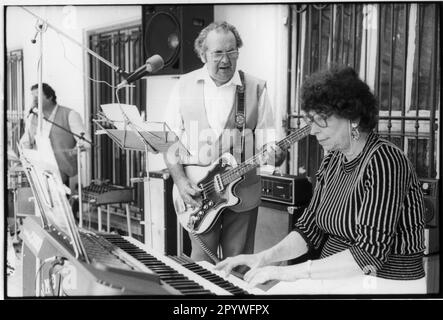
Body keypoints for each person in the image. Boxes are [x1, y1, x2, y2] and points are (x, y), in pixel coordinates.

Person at [215, 66, 426, 293]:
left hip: (384, 283)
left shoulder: (385, 161)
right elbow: (310, 228)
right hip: (336, 278)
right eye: (310, 121)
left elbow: (368, 256)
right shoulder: (333, 158)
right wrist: (263, 258)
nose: (313, 130)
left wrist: (286, 273)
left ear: (352, 117)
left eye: (321, 120)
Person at [164, 21, 285, 265]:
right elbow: (170, 140)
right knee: (201, 264)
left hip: (244, 191)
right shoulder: (183, 86)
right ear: (203, 54)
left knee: (238, 264)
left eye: (232, 52)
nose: (226, 60)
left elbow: (271, 144)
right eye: (218, 53)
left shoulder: (256, 87)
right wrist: (180, 180)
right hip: (199, 192)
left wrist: (275, 154)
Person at [20, 83, 88, 186]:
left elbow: (86, 143)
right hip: (41, 173)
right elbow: (25, 142)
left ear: (50, 97)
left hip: (64, 174)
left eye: (37, 96)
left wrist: (72, 152)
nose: (34, 100)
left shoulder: (70, 114)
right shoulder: (33, 117)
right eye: (32, 96)